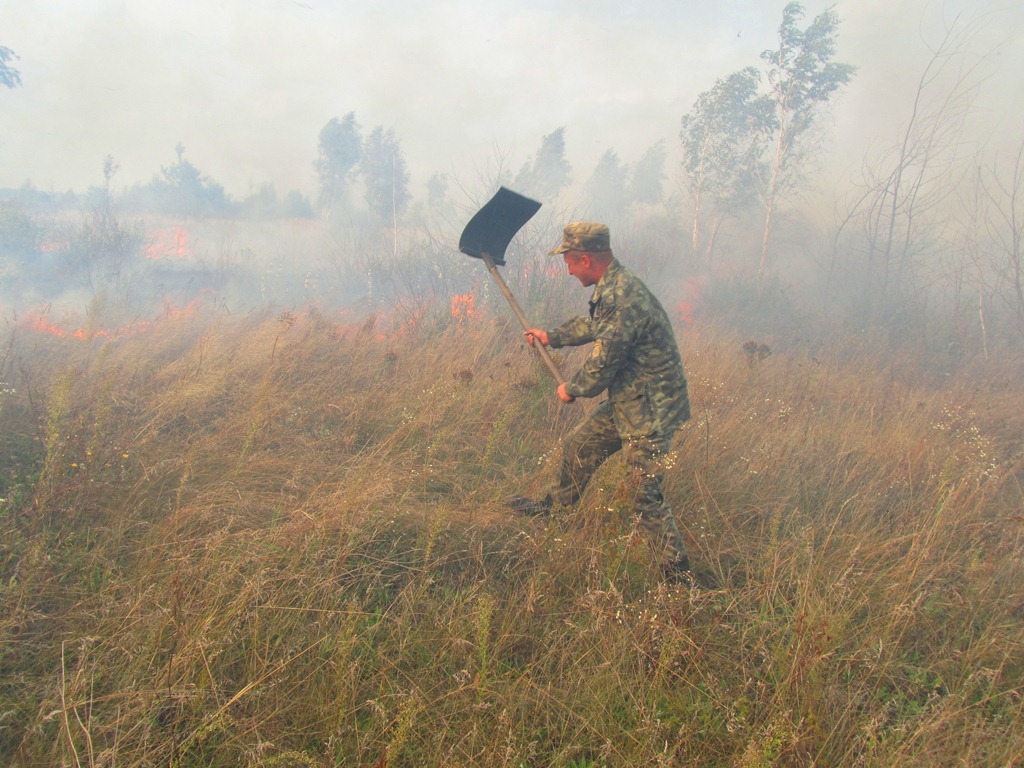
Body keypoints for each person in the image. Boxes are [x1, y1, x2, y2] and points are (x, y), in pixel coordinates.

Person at [509, 221, 692, 579]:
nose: (567, 269)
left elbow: (604, 362)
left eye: (569, 262)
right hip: (631, 399)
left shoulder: (621, 296)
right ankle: (555, 513)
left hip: (652, 407)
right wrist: (553, 336)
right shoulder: (614, 289)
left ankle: (678, 577)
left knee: (643, 494)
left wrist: (572, 388)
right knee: (580, 446)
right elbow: (596, 327)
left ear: (586, 260)